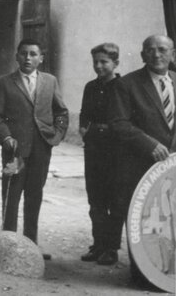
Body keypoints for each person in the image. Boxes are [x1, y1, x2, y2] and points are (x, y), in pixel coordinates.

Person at [0, 38, 69, 258]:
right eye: (23, 53)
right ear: (17, 56)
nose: (28, 58)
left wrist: (57, 135)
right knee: (12, 193)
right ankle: (8, 245)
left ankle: (31, 246)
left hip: (41, 149)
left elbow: (61, 112)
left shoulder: (50, 81)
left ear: (41, 59)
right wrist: (6, 138)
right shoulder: (5, 82)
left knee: (35, 194)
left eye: (33, 54)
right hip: (14, 151)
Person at [109, 34, 176, 282]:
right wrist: (150, 144)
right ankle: (143, 275)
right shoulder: (127, 84)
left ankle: (170, 276)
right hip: (139, 167)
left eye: (162, 49)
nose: (156, 55)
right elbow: (118, 123)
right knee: (145, 220)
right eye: (150, 50)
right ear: (142, 55)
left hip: (172, 170)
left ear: (172, 54)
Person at [79, 43, 123, 265]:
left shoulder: (124, 87)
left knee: (114, 200)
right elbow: (84, 115)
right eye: (95, 61)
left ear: (115, 63)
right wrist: (85, 130)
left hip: (116, 153)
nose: (98, 66)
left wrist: (105, 129)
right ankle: (98, 244)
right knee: (95, 199)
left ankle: (111, 248)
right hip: (94, 151)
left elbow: (126, 121)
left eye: (104, 62)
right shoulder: (90, 87)